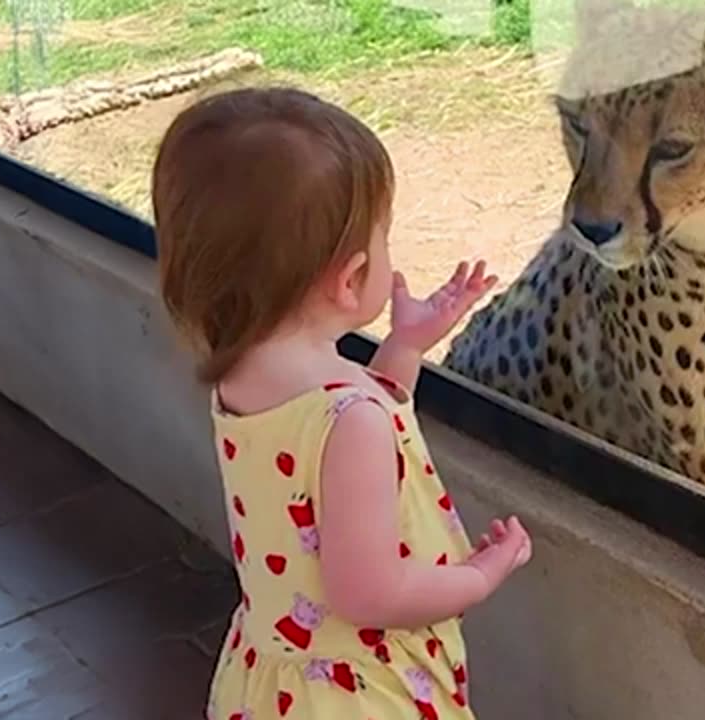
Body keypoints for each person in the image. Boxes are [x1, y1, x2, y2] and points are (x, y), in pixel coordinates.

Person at [152, 86, 534, 720]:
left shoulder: (242, 370)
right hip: (360, 695)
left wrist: (405, 347)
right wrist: (480, 576)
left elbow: (329, 443)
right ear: (351, 277)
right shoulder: (350, 419)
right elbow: (370, 593)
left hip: (274, 679)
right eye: (385, 236)